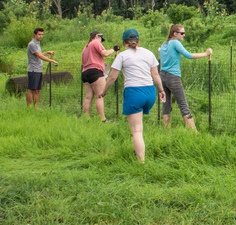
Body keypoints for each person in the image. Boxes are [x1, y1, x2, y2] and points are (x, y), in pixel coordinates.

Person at [104, 28, 166, 163]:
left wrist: (104, 92)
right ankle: (137, 151)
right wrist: (161, 90)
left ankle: (141, 161)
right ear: (138, 40)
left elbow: (112, 77)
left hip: (134, 92)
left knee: (137, 131)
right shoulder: (149, 53)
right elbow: (155, 74)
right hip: (150, 92)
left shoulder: (122, 56)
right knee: (138, 124)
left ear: (124, 42)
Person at [158, 24, 213, 130]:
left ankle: (166, 129)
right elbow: (189, 55)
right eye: (182, 33)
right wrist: (206, 53)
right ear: (175, 34)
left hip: (162, 76)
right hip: (173, 77)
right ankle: (194, 132)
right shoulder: (175, 43)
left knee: (166, 105)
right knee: (183, 104)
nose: (184, 35)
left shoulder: (164, 44)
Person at [81, 30, 115, 122]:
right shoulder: (95, 42)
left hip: (85, 73)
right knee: (100, 96)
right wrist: (114, 49)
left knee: (88, 97)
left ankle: (86, 119)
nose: (100, 41)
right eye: (100, 38)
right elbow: (105, 53)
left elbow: (85, 62)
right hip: (95, 72)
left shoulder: (86, 48)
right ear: (97, 36)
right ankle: (103, 120)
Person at [26, 27, 57, 108]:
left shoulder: (37, 44)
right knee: (31, 89)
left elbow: (39, 55)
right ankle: (29, 107)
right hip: (33, 70)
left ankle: (36, 107)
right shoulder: (32, 44)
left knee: (37, 90)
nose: (41, 36)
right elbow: (39, 56)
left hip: (38, 70)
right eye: (39, 34)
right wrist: (51, 60)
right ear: (35, 34)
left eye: (42, 34)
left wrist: (47, 52)